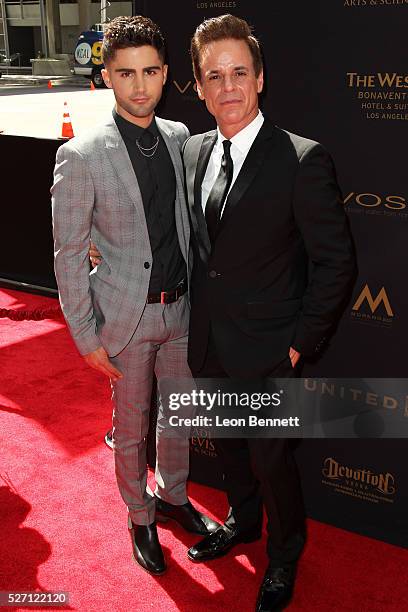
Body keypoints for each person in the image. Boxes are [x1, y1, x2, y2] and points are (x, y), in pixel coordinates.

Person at [183, 14, 357, 611]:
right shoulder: (194, 151)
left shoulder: (302, 159)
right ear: (199, 87)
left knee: (271, 460)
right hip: (209, 339)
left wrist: (298, 344)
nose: (227, 86)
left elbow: (336, 265)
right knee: (230, 447)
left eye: (239, 72)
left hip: (270, 348)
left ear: (260, 79)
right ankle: (242, 522)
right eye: (214, 76)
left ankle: (283, 557)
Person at [51, 15, 218, 578]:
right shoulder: (82, 155)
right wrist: (83, 333)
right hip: (124, 314)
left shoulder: (178, 139)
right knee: (132, 423)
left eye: (150, 71)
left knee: (178, 416)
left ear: (166, 73)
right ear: (107, 77)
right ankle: (139, 514)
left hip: (182, 310)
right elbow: (68, 251)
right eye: (126, 73)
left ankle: (173, 497)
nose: (139, 85)